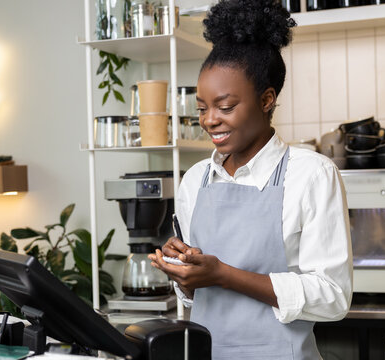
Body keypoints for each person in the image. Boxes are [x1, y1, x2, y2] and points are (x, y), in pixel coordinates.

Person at [148, 0, 352, 358]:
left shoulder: (312, 175)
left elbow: (333, 297)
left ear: (266, 100)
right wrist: (184, 271)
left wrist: (223, 274)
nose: (210, 119)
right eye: (201, 108)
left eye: (225, 107)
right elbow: (194, 297)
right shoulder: (196, 179)